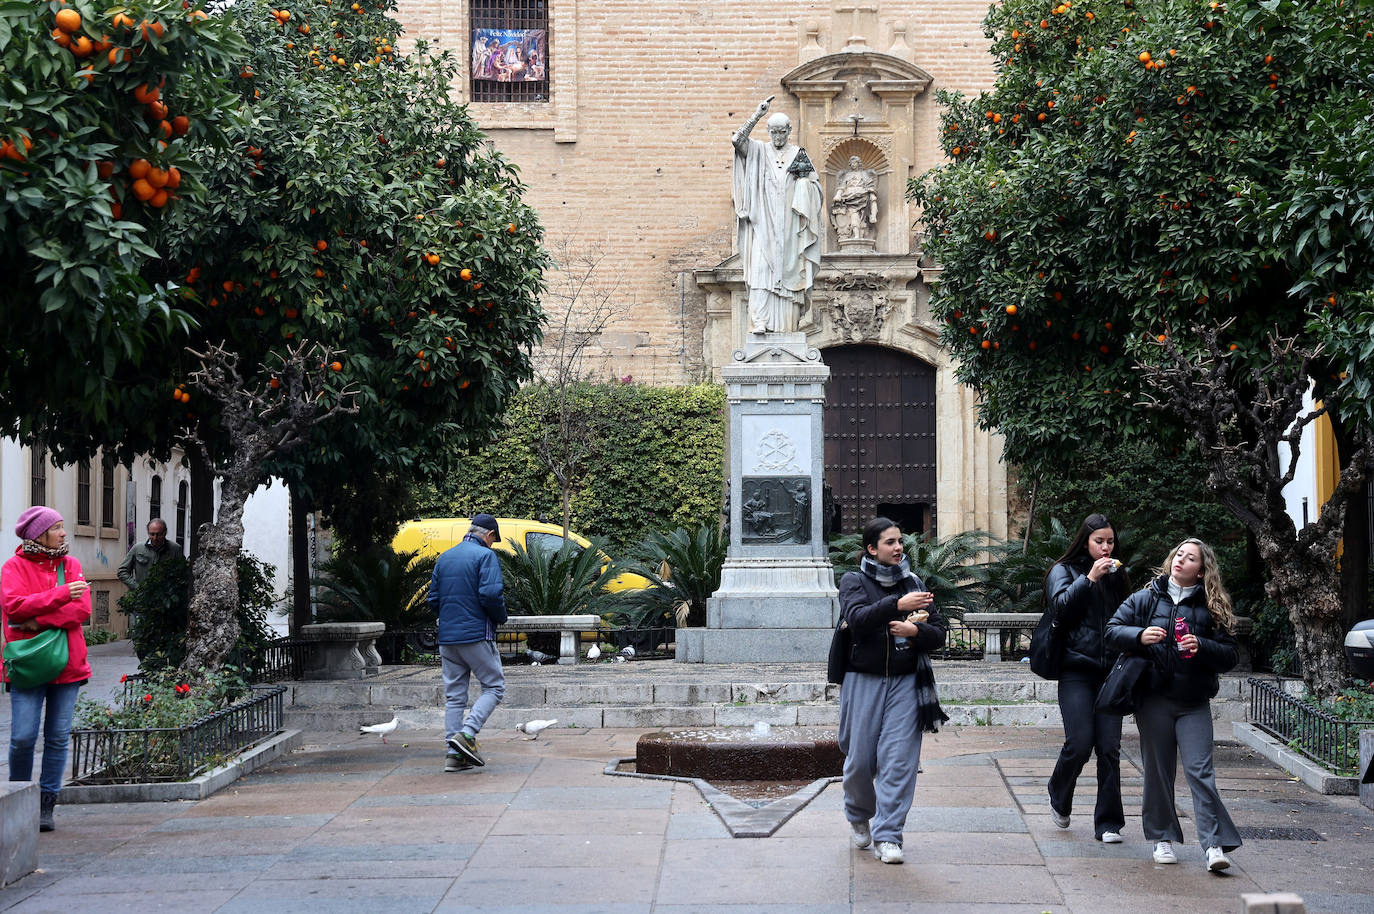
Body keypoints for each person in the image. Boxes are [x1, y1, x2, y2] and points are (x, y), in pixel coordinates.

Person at [1106, 537, 1242, 872]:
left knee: (1200, 772)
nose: (1181, 560)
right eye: (1178, 554)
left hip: (1194, 702)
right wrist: (1139, 636)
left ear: (1201, 571)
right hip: (1153, 699)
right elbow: (1111, 631)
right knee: (1158, 772)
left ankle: (1212, 846)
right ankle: (1162, 839)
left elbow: (1231, 655)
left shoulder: (1213, 607)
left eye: (1191, 557)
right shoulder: (1146, 598)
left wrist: (1204, 646)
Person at [837, 517, 948, 865]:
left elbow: (940, 633)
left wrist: (916, 632)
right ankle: (858, 813)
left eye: (900, 541)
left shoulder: (913, 582)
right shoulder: (854, 580)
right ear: (872, 549)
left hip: (906, 682)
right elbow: (857, 619)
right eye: (890, 542)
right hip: (863, 679)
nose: (899, 548)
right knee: (859, 761)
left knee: (899, 760)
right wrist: (897, 606)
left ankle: (889, 835)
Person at [2, 506, 92, 833]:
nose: (64, 533)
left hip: (68, 665)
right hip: (27, 666)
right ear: (39, 534)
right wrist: (62, 594)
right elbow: (13, 609)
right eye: (57, 528)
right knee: (23, 737)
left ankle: (46, 803)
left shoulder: (71, 564)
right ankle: (17, 796)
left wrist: (36, 620)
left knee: (56, 738)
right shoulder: (13, 567)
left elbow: (81, 610)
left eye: (63, 526)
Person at [1043, 513, 1130, 843]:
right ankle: (1059, 791)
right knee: (1079, 744)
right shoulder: (1062, 571)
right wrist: (1089, 579)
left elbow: (1127, 613)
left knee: (1109, 747)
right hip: (1076, 670)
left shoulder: (1117, 574)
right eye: (1099, 541)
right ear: (1085, 541)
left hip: (1111, 673)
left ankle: (1108, 823)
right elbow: (1060, 608)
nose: (1106, 548)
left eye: (1110, 541)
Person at [732, 96, 824, 335]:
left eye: (782, 132)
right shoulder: (759, 150)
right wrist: (757, 114)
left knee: (790, 272)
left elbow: (816, 188)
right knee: (760, 270)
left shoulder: (799, 155)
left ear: (789, 131)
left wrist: (805, 188)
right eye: (773, 132)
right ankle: (760, 320)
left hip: (790, 227)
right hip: (762, 222)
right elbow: (737, 140)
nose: (778, 137)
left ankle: (786, 327)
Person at [429, 513, 507, 771]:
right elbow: (491, 594)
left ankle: (454, 755)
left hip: (448, 639)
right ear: (489, 535)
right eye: (494, 540)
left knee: (454, 698)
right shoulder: (485, 556)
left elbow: (433, 601)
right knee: (494, 687)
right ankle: (468, 734)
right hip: (475, 635)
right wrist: (500, 618)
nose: (493, 545)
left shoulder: (445, 557)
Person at [117, 518, 183, 589]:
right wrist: (136, 587)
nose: (155, 538)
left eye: (159, 534)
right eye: (152, 534)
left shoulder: (175, 549)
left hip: (166, 597)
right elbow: (122, 571)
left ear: (165, 532)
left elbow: (182, 574)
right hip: (142, 597)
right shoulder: (138, 548)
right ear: (148, 533)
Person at [831, 154, 879, 244]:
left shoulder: (864, 174)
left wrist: (872, 193)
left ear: (858, 163)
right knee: (854, 214)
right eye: (851, 163)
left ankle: (873, 216)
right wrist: (838, 194)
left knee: (872, 199)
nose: (853, 164)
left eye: (854, 162)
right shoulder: (847, 175)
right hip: (849, 195)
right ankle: (857, 235)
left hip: (862, 194)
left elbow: (870, 185)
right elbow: (842, 186)